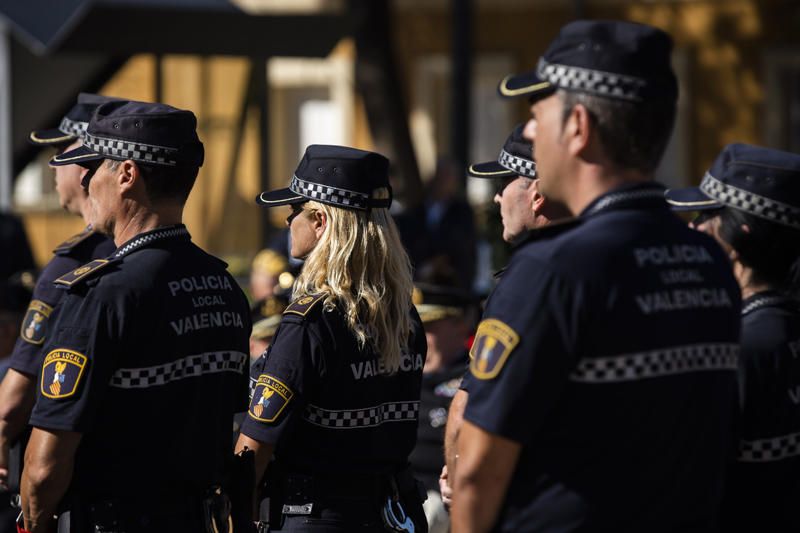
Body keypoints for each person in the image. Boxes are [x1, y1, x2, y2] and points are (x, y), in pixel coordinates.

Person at [451, 20, 742, 532]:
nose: (532, 133)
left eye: (538, 116)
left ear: (578, 127)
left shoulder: (550, 270)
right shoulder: (707, 258)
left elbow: (477, 472)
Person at [19, 100, 251, 533]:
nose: (86, 181)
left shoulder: (103, 294)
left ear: (126, 175)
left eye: (95, 168)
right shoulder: (226, 288)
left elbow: (46, 462)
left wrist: (33, 523)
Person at [235, 144, 428, 532]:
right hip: (393, 514)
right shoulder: (402, 315)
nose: (287, 220)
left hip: (319, 517)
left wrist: (233, 513)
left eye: (294, 210)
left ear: (320, 220)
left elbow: (254, 447)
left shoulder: (310, 321)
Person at [665, 143, 800, 533]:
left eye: (706, 214)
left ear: (740, 234)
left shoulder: (736, 349)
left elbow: (687, 480)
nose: (693, 227)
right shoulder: (774, 329)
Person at [438, 124, 567, 507]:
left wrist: (460, 477)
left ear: (537, 194)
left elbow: (474, 401)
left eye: (504, 184)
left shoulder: (524, 281)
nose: (496, 199)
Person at [0, 93, 118, 496]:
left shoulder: (71, 265)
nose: (53, 164)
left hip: (79, 481)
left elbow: (12, 403)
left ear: (85, 159)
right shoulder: (156, 255)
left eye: (60, 149)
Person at [408, 280, 474, 533]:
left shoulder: (474, 382)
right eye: (412, 326)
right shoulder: (395, 376)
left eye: (429, 327)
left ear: (461, 325)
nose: (416, 336)